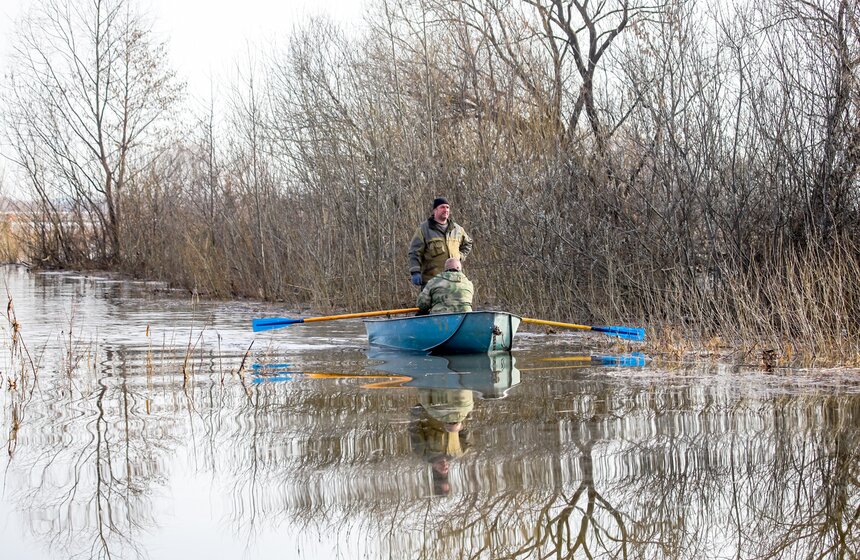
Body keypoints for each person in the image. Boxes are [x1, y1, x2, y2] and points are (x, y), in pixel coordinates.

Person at [408, 197, 473, 288]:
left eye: (447, 207)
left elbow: (468, 243)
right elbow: (414, 252)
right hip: (432, 281)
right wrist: (415, 271)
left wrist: (460, 256)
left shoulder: (457, 229)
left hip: (455, 281)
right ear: (435, 210)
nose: (446, 210)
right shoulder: (424, 229)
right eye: (442, 207)